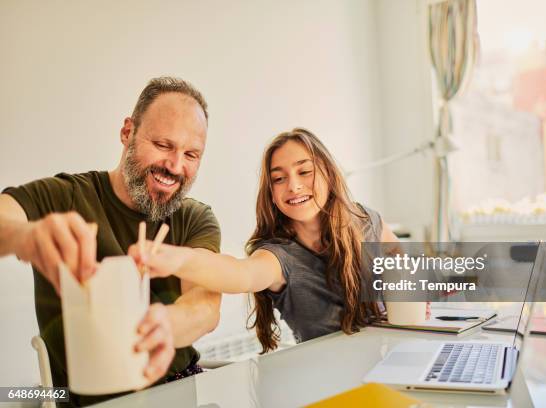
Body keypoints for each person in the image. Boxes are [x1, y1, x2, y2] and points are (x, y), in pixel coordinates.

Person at [0, 77, 221, 406]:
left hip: (180, 392)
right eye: (163, 145)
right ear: (127, 131)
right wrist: (27, 236)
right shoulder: (65, 197)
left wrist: (164, 325)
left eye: (191, 154)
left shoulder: (195, 218)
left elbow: (205, 306)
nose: (175, 166)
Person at [129, 127, 406, 353]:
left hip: (395, 359)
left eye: (304, 171)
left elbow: (404, 263)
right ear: (271, 193)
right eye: (279, 178)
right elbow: (240, 274)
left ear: (328, 175)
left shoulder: (365, 221)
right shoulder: (278, 257)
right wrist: (176, 258)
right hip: (331, 384)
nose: (293, 186)